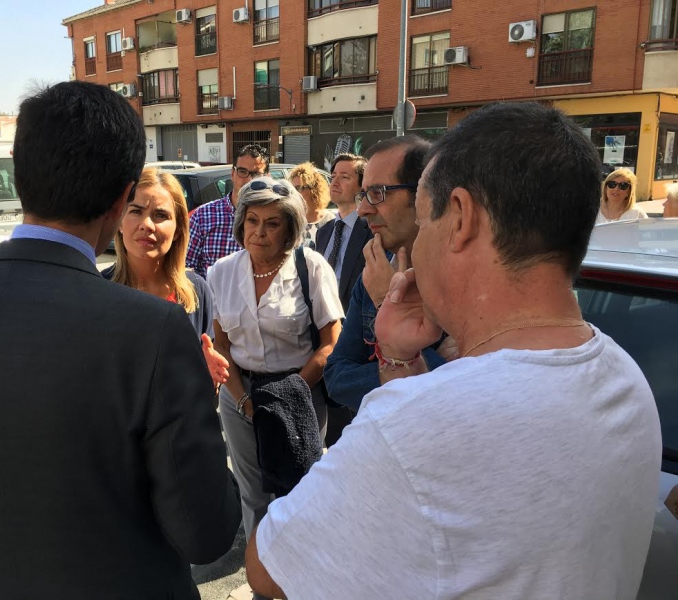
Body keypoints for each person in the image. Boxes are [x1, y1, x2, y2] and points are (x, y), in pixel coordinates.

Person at [246, 102, 662, 599]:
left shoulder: (419, 424)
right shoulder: (627, 378)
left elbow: (268, 565)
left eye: (425, 221)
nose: (415, 247)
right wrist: (399, 359)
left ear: (461, 217)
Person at [0, 81, 241, 600]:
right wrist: (199, 403)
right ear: (121, 199)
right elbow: (205, 531)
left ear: (20, 177)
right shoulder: (153, 331)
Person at [207, 176, 343, 597]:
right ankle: (263, 586)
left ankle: (302, 583)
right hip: (240, 395)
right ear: (240, 224)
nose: (259, 232)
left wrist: (291, 394)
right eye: (252, 220)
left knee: (299, 492)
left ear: (289, 228)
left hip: (300, 392)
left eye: (272, 223)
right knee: (253, 496)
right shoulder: (221, 272)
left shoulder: (310, 267)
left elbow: (331, 342)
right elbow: (222, 345)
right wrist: (244, 401)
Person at [323, 137, 443, 413]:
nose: (363, 209)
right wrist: (429, 365)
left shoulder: (465, 279)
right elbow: (336, 377)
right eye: (363, 195)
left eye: (378, 193)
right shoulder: (374, 274)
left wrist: (387, 302)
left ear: (423, 196)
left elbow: (462, 386)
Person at [102, 167, 228, 386]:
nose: (146, 225)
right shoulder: (99, 289)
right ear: (120, 221)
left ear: (178, 229)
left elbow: (204, 368)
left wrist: (209, 378)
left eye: (160, 215)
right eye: (136, 211)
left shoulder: (197, 290)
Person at [186, 144, 269, 278]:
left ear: (267, 177)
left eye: (256, 174)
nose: (248, 180)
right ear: (232, 174)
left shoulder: (274, 221)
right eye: (242, 172)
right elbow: (186, 268)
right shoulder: (202, 217)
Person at [315, 153, 371, 312]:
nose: (335, 182)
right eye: (333, 176)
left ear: (362, 185)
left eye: (344, 177)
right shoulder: (324, 231)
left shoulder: (371, 230)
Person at [288, 162, 334, 248]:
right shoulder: (290, 222)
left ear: (314, 190)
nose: (295, 193)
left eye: (299, 188)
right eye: (292, 189)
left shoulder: (331, 222)